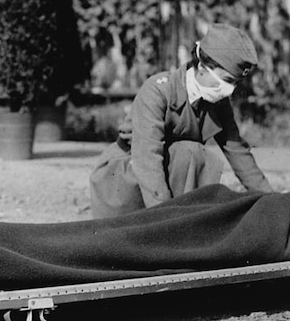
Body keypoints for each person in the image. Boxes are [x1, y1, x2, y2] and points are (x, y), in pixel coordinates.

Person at [89, 23, 273, 218]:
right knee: (189, 152)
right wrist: (165, 219)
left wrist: (271, 200)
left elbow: (238, 152)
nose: (230, 89)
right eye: (226, 80)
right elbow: (147, 158)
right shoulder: (158, 91)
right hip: (126, 176)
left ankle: (185, 221)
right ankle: (175, 223)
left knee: (195, 154)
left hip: (166, 176)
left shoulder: (218, 103)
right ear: (202, 67)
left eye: (235, 83)